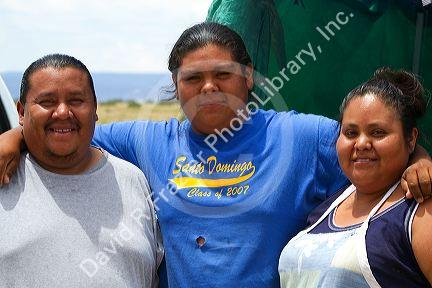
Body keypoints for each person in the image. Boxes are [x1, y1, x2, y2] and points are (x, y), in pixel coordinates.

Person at [0, 23, 430, 287]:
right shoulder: (147, 141)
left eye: (223, 75)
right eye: (194, 78)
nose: (209, 88)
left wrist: (421, 162)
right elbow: (68, 132)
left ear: (249, 82)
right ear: (175, 85)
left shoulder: (299, 136)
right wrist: (14, 138)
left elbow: (373, 145)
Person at [0, 54, 163, 288]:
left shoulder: (133, 180)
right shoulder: (5, 174)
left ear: (95, 109)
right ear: (21, 113)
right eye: (47, 102)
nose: (63, 112)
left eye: (76, 100)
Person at [279, 68, 432, 287]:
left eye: (378, 132)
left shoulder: (419, 209)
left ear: (411, 139)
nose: (361, 144)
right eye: (350, 133)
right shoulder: (323, 211)